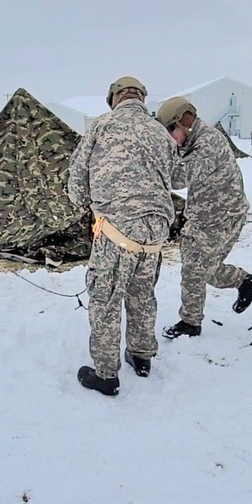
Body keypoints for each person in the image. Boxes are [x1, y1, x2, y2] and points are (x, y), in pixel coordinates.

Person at [68, 76, 177, 396]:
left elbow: (76, 187)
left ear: (113, 98)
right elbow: (176, 177)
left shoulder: (101, 126)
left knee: (105, 299)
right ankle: (141, 356)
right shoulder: (161, 132)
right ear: (142, 99)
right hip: (156, 233)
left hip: (116, 231)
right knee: (142, 293)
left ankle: (105, 374)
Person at [155, 97, 252, 340]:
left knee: (194, 271)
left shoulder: (208, 143)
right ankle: (245, 281)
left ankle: (190, 323)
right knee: (205, 269)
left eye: (170, 131)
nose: (169, 138)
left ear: (184, 122)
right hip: (207, 215)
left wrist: (149, 165)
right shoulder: (192, 141)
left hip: (220, 218)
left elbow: (179, 178)